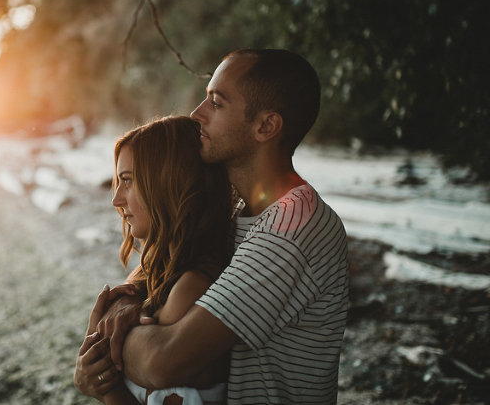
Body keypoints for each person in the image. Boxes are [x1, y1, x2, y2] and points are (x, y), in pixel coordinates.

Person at [79, 49, 350, 404]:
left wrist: (103, 348)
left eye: (216, 103)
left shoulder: (292, 229)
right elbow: (165, 268)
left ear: (265, 126)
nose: (196, 114)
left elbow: (163, 363)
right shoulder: (238, 207)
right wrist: (127, 307)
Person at [75, 115, 234, 404]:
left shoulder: (191, 288)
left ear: (168, 183)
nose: (116, 200)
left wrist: (105, 382)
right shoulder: (164, 273)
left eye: (128, 181)